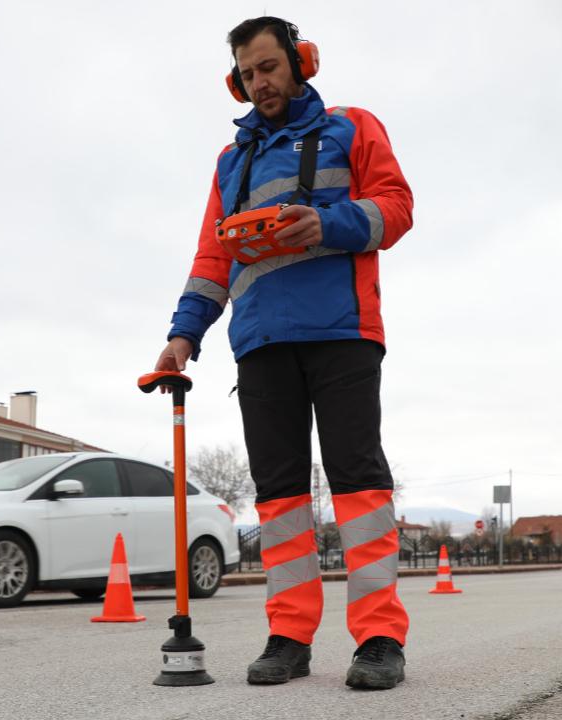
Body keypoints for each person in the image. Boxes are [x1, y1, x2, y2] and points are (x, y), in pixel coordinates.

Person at [153, 16, 413, 690]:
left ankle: (380, 637)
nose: (258, 82)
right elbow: (213, 257)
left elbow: (396, 207)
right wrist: (184, 336)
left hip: (342, 332)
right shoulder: (230, 161)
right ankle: (290, 635)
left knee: (358, 484)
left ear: (300, 63)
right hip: (261, 343)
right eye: (246, 74)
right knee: (280, 498)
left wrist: (327, 221)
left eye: (268, 67)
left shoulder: (351, 126)